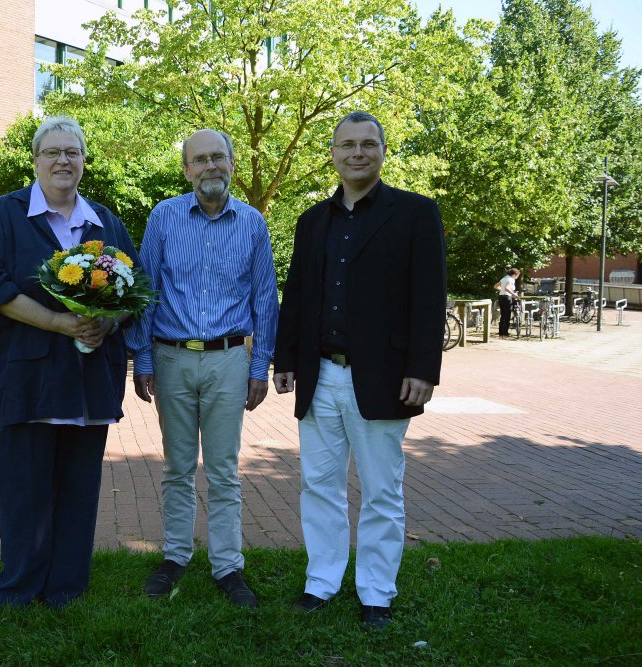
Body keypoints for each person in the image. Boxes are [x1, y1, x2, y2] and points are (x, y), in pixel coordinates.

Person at [272, 111, 447, 628]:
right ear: (333, 153)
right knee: (319, 484)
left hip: (385, 376)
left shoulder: (416, 214)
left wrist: (423, 368)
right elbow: (298, 295)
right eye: (347, 144)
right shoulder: (312, 221)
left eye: (368, 144)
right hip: (319, 374)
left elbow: (429, 298)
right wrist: (286, 359)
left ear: (383, 150)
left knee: (381, 491)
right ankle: (322, 581)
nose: (357, 153)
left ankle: (376, 591)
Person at [0, 116, 137, 609]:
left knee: (78, 488)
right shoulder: (4, 215)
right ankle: (20, 588)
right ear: (36, 160)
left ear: (84, 162)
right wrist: (61, 323)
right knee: (24, 489)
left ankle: (67, 587)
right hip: (26, 377)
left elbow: (137, 288)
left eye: (73, 153)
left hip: (90, 379)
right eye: (53, 152)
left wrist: (109, 320)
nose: (63, 161)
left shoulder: (105, 221)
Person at [125, 129, 279, 609]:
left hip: (230, 360)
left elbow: (264, 298)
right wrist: (143, 356)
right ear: (187, 168)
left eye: (219, 157)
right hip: (171, 358)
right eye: (200, 160)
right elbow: (146, 289)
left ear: (232, 163)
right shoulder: (164, 217)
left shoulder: (253, 223)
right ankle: (174, 556)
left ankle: (228, 566)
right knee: (176, 467)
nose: (210, 166)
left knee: (224, 469)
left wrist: (260, 365)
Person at [495, 268, 520, 337]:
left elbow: (496, 286)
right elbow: (507, 288)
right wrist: (514, 294)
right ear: (514, 274)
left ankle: (500, 332)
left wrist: (501, 289)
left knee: (502, 314)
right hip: (507, 297)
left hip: (501, 297)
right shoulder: (511, 279)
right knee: (507, 315)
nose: (517, 277)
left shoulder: (504, 278)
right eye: (517, 275)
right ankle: (505, 332)